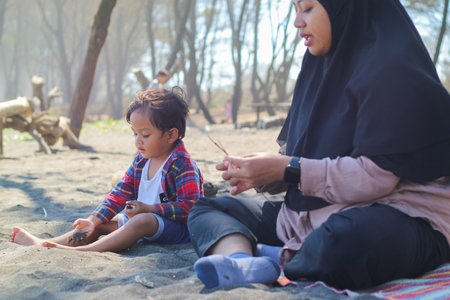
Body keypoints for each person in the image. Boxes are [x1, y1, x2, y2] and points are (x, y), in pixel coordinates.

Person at [187, 0, 450, 290]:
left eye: (308, 8)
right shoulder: (317, 67)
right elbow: (301, 159)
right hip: (314, 215)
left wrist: (287, 170)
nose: (297, 22)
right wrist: (259, 173)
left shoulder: (391, 69)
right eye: (295, 10)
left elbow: (377, 179)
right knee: (207, 208)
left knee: (344, 243)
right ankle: (243, 262)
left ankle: (271, 256)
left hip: (398, 212)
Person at [11, 87, 204, 252]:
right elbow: (119, 192)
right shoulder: (141, 161)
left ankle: (84, 251)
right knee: (103, 221)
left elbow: (190, 208)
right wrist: (93, 220)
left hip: (176, 229)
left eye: (145, 134)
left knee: (142, 220)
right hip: (142, 220)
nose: (138, 141)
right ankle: (49, 244)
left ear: (171, 135)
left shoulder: (182, 165)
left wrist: (150, 209)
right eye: (135, 133)